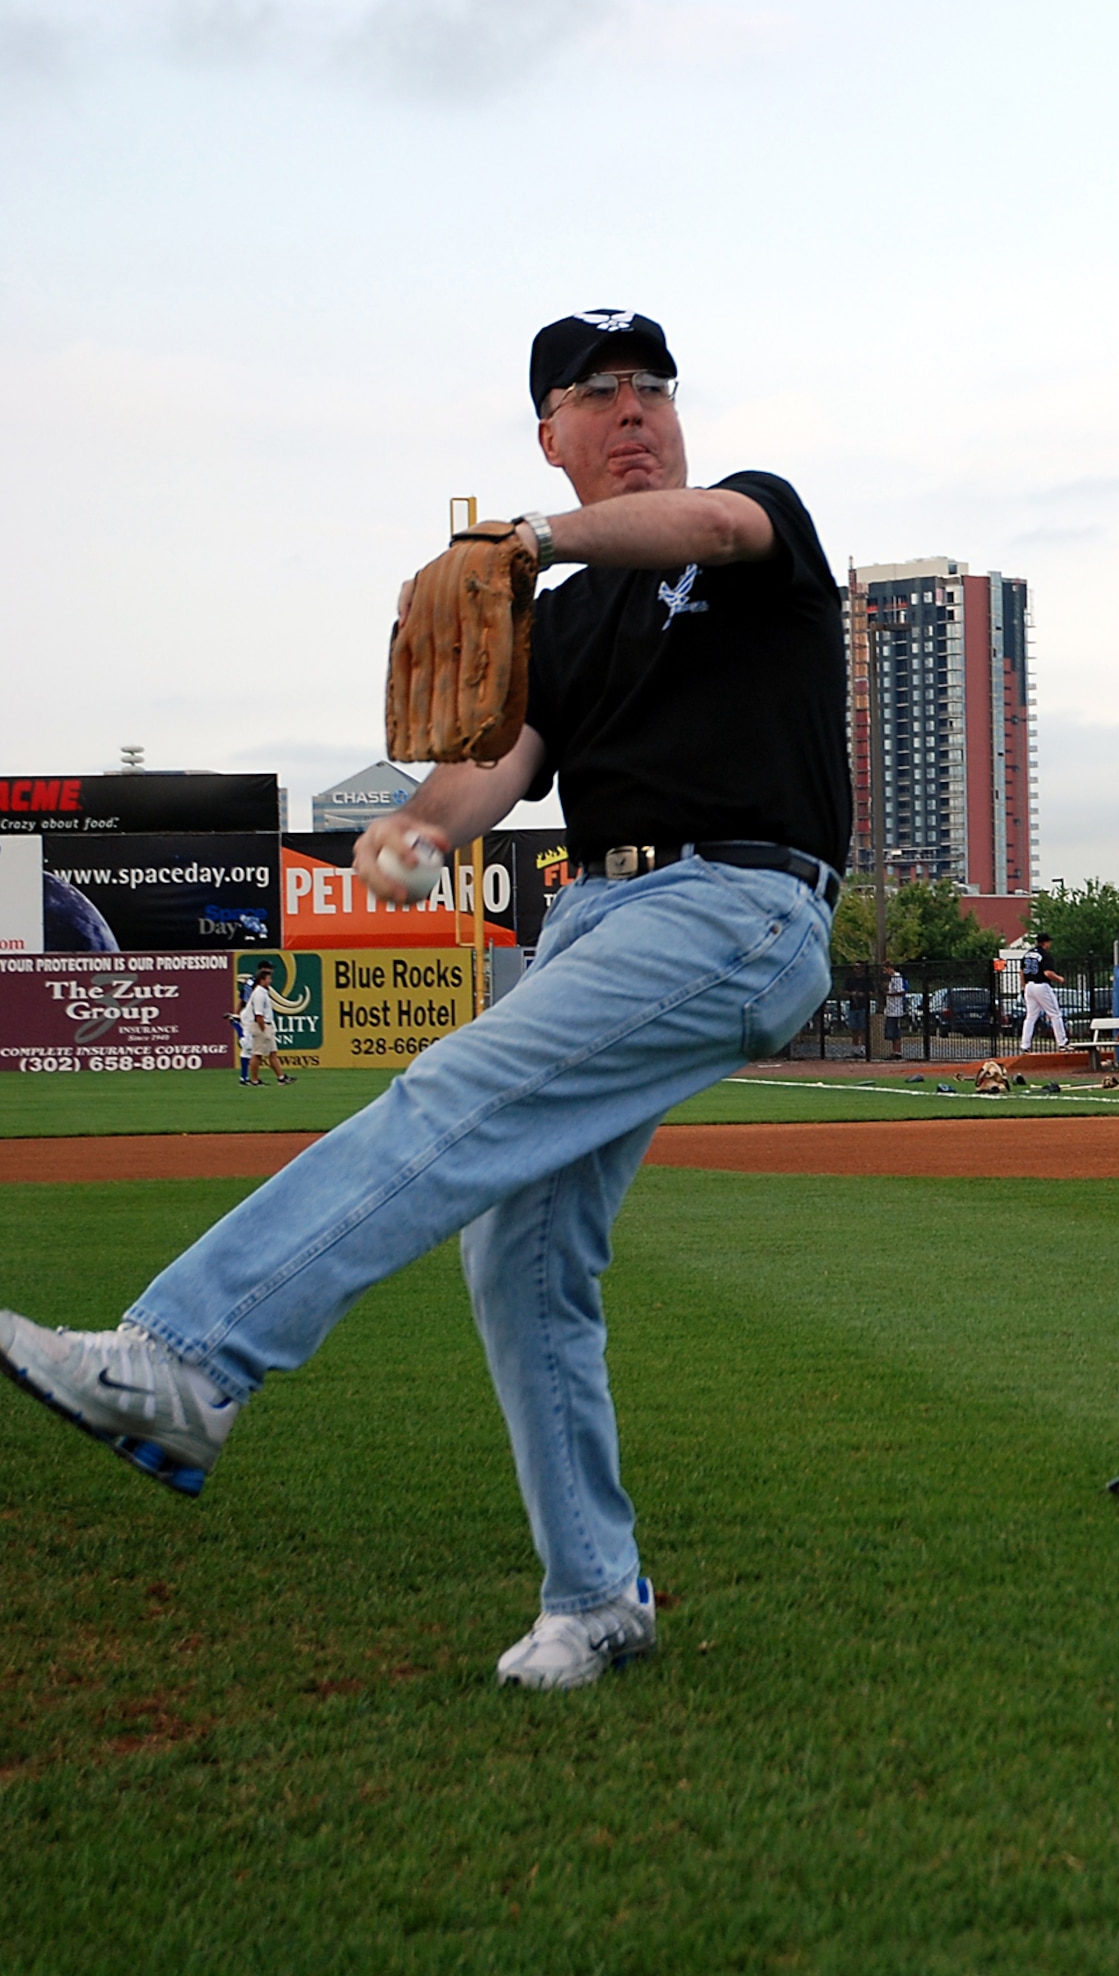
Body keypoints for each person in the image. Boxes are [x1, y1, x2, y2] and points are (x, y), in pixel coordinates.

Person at [0, 308, 851, 1690]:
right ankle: (595, 1596)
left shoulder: (753, 522)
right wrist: (412, 836)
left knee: (449, 1092)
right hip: (597, 916)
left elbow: (709, 534)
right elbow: (491, 766)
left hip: (734, 901)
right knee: (516, 1252)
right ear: (550, 433)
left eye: (653, 387)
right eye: (597, 392)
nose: (633, 409)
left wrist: (529, 537)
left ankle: (185, 1360)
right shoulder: (553, 625)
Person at [244, 963, 295, 1087]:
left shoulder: (263, 992)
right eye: (268, 979)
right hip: (261, 1025)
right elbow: (259, 1014)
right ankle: (254, 1080)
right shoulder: (259, 994)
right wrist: (264, 1029)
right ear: (262, 980)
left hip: (267, 1025)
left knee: (273, 1053)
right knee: (257, 1054)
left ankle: (281, 1078)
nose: (270, 981)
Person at [1020, 932, 1069, 1053]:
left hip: (1029, 986)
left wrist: (1023, 986)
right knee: (1055, 1014)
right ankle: (1062, 1042)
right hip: (1041, 985)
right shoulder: (1045, 955)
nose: (1050, 944)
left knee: (1030, 1017)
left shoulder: (1027, 954)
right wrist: (1059, 978)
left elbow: (1021, 971)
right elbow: (1047, 973)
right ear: (1045, 943)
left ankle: (1025, 1045)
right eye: (1049, 942)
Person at [883, 962, 907, 1059]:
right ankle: (894, 1051)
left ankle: (898, 1052)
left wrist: (889, 994)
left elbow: (901, 991)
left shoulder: (897, 977)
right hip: (890, 1009)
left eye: (885, 969)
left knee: (895, 1032)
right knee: (891, 1033)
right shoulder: (892, 978)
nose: (884, 972)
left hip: (896, 1010)